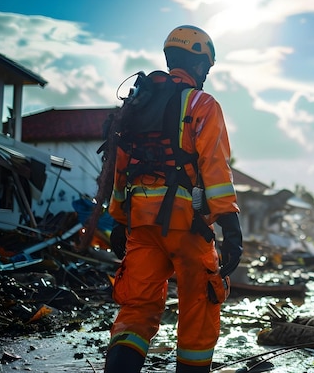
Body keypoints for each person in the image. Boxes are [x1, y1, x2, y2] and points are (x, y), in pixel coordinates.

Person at [103, 25, 243, 373]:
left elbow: (120, 169)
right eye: (206, 68)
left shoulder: (136, 105)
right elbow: (214, 166)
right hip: (185, 222)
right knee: (200, 303)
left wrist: (119, 220)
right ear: (197, 64)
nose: (206, 75)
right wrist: (230, 224)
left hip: (140, 223)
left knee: (137, 309)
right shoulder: (201, 103)